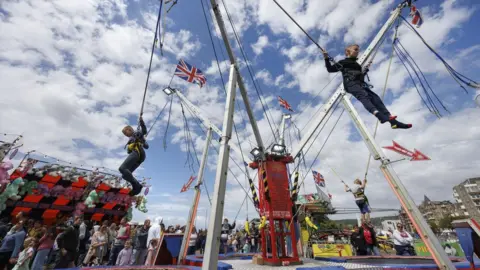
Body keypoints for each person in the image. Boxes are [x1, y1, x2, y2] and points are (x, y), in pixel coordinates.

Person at [323, 44, 412, 129]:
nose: (358, 51)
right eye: (355, 49)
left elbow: (359, 77)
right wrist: (326, 58)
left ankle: (393, 122)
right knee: (363, 95)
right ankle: (379, 115)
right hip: (350, 84)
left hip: (360, 84)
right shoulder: (343, 62)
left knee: (375, 98)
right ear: (348, 51)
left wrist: (364, 72)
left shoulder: (357, 65)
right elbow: (330, 69)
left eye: (358, 50)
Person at [119, 116, 149, 196]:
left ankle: (137, 186)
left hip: (138, 152)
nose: (126, 135)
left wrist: (142, 122)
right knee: (125, 175)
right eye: (125, 134)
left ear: (130, 129)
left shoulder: (136, 133)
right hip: (138, 157)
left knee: (122, 168)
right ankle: (136, 187)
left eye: (126, 132)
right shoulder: (131, 139)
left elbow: (144, 131)